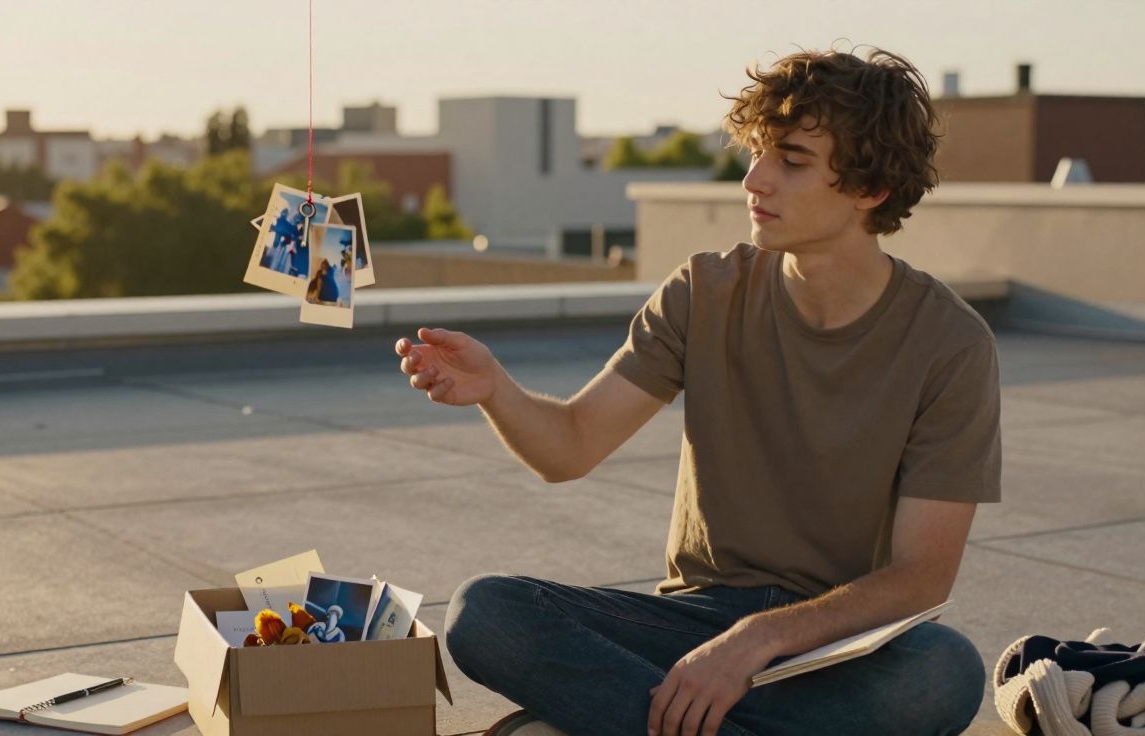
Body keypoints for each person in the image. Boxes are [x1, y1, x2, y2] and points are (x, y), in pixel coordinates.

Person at [394, 46, 1000, 736]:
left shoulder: (950, 343)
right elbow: (570, 447)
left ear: (872, 189)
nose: (754, 179)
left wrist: (757, 639)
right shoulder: (705, 291)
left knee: (943, 671)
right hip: (689, 624)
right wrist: (495, 390)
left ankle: (621, 718)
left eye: (791, 161)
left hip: (830, 644)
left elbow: (921, 577)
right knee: (488, 614)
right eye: (757, 153)